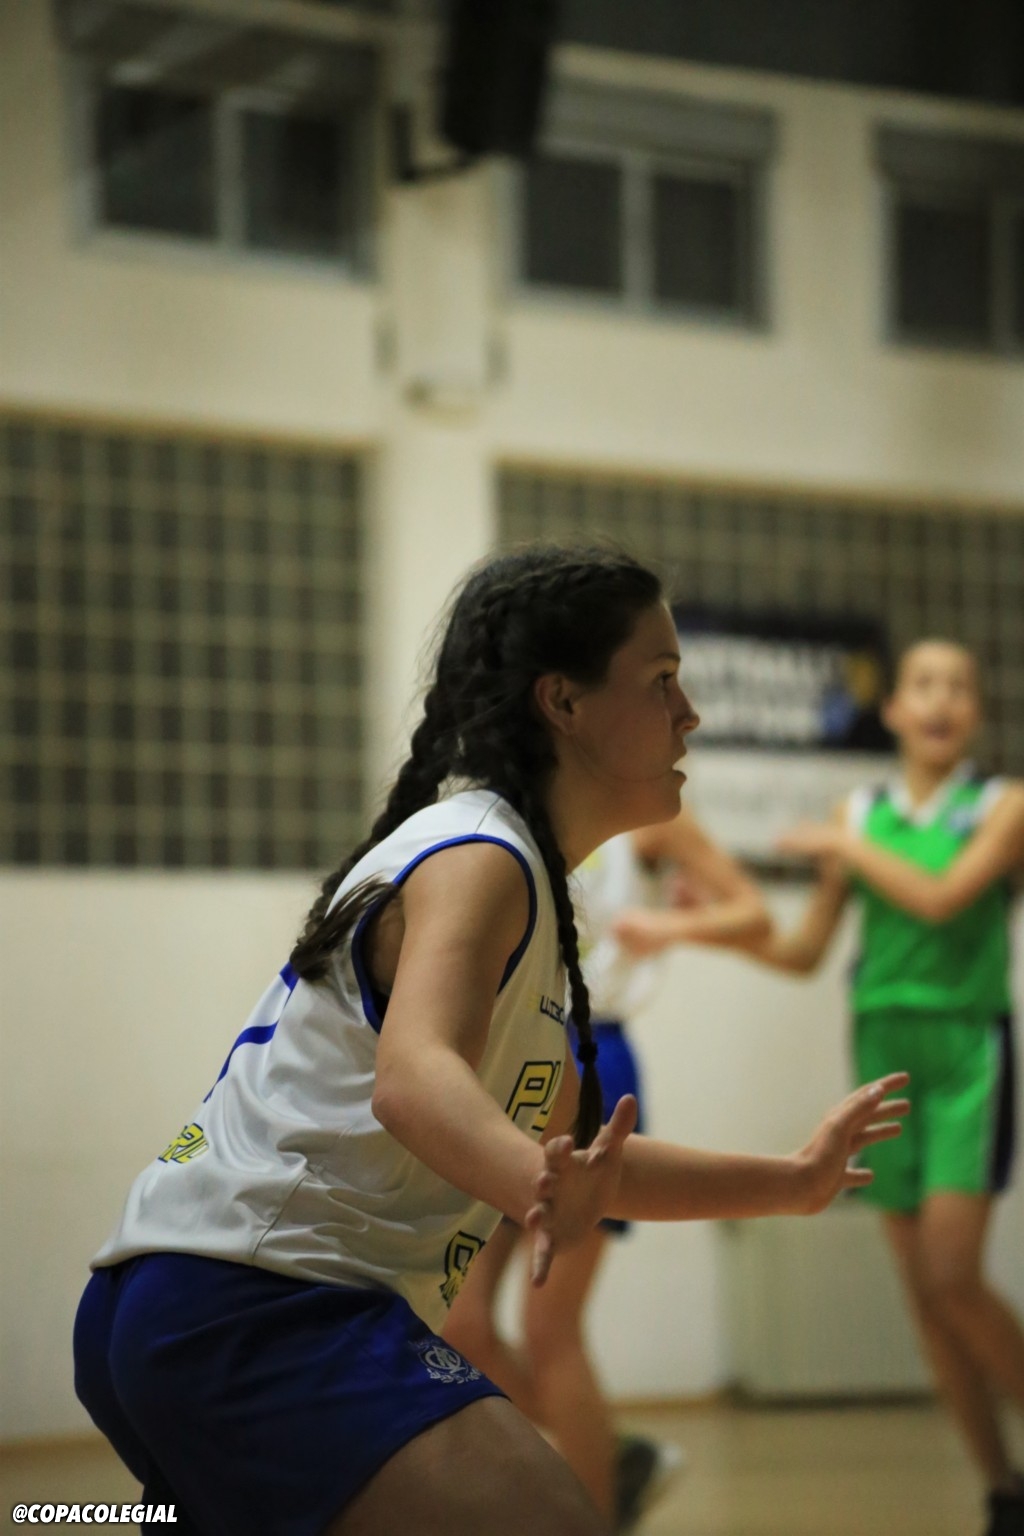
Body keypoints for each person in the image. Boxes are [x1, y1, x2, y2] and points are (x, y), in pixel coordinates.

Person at [72, 545, 908, 1536]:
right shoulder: (482, 856)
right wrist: (534, 1184)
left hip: (186, 1297)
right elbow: (412, 1079)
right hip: (258, 1303)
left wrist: (794, 1181)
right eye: (660, 680)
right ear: (564, 701)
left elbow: (587, 1159)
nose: (689, 714)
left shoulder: (525, 882)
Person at [738, 639, 1024, 1536]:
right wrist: (701, 930)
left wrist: (845, 845)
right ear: (894, 709)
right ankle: (1002, 1490)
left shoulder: (1002, 805)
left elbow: (940, 898)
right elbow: (805, 951)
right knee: (926, 1298)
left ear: (975, 714)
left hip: (968, 1051)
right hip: (881, 1051)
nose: (941, 700)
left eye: (959, 687)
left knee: (954, 1273)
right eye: (924, 685)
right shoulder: (858, 813)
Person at [444, 806, 770, 1530]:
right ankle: (613, 1456)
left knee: (549, 1328)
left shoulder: (647, 820)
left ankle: (593, 1508)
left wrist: (670, 927)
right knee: (462, 1324)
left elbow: (753, 913)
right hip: (506, 1061)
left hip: (593, 1055)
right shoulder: (506, 809)